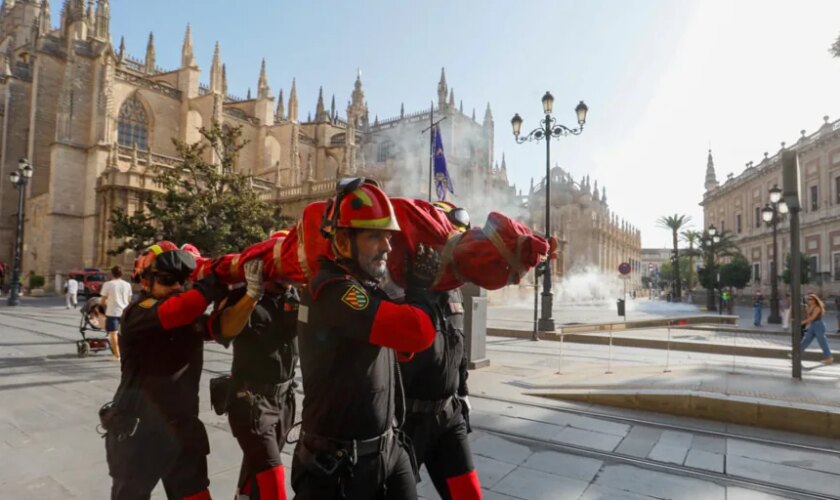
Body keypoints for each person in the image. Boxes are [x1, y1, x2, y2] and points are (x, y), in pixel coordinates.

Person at [292, 178, 436, 499]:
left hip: (386, 450)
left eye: (388, 236)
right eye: (374, 236)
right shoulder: (333, 291)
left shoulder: (363, 286)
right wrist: (421, 289)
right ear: (343, 242)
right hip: (341, 465)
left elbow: (396, 346)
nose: (387, 246)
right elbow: (418, 332)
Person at [103, 241, 227, 500]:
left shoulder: (186, 315)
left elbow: (223, 327)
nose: (177, 287)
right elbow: (179, 309)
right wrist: (216, 281)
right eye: (168, 280)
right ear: (146, 282)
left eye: (183, 280)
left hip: (182, 431)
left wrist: (248, 293)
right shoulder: (137, 313)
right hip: (138, 433)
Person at [399, 200, 481, 500]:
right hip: (406, 422)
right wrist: (418, 291)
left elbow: (457, 347)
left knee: (468, 495)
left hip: (448, 416)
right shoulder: (400, 287)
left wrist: (463, 392)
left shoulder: (454, 290)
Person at [210, 258, 299, 500]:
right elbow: (225, 331)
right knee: (273, 477)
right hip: (251, 402)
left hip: (284, 400)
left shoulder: (294, 297)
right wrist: (252, 295)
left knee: (257, 471)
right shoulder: (242, 297)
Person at [99, 266, 133, 360]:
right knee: (125, 333)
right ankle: (126, 353)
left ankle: (117, 355)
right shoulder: (127, 285)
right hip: (125, 312)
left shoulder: (108, 284)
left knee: (113, 333)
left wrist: (105, 303)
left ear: (112, 273)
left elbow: (102, 300)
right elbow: (129, 299)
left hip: (113, 312)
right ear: (122, 274)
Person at [801, 293, 833, 365]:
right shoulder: (809, 307)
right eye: (808, 299)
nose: (809, 300)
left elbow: (812, 318)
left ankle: (829, 358)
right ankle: (796, 355)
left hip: (819, 325)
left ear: (815, 300)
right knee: (806, 340)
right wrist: (806, 311)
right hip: (813, 325)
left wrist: (803, 322)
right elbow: (808, 317)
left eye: (810, 299)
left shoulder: (817, 307)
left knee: (822, 342)